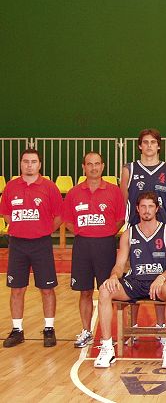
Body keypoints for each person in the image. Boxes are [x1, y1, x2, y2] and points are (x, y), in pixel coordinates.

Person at [93, 192, 166, 368]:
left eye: (150, 206)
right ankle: (107, 348)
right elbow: (119, 265)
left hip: (160, 282)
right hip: (136, 281)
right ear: (137, 209)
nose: (147, 210)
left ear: (157, 209)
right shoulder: (128, 234)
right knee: (104, 290)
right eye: (143, 207)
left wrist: (161, 278)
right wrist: (113, 276)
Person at [62, 152, 125, 348]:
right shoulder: (73, 193)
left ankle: (111, 333)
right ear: (84, 167)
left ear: (103, 166)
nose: (94, 167)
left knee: (110, 291)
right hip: (82, 246)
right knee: (85, 291)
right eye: (89, 164)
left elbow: (120, 218)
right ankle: (86, 331)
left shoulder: (114, 191)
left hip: (106, 245)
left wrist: (106, 232)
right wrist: (84, 232)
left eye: (97, 164)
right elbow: (68, 220)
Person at [0, 149, 62, 348]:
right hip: (17, 244)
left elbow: (59, 216)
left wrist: (43, 230)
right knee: (17, 289)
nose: (29, 165)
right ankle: (17, 330)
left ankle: (49, 328)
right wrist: (22, 227)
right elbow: (6, 214)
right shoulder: (11, 187)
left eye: (33, 161)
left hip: (41, 244)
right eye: (25, 161)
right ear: (20, 164)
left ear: (39, 165)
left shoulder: (49, 187)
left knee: (47, 288)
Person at [121, 128, 166, 339]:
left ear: (159, 146)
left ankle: (162, 328)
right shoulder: (129, 169)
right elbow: (124, 199)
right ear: (139, 146)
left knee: (159, 275)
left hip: (160, 231)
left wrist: (163, 221)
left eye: (153, 142)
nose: (149, 146)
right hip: (136, 229)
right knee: (133, 273)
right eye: (145, 142)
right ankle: (133, 327)